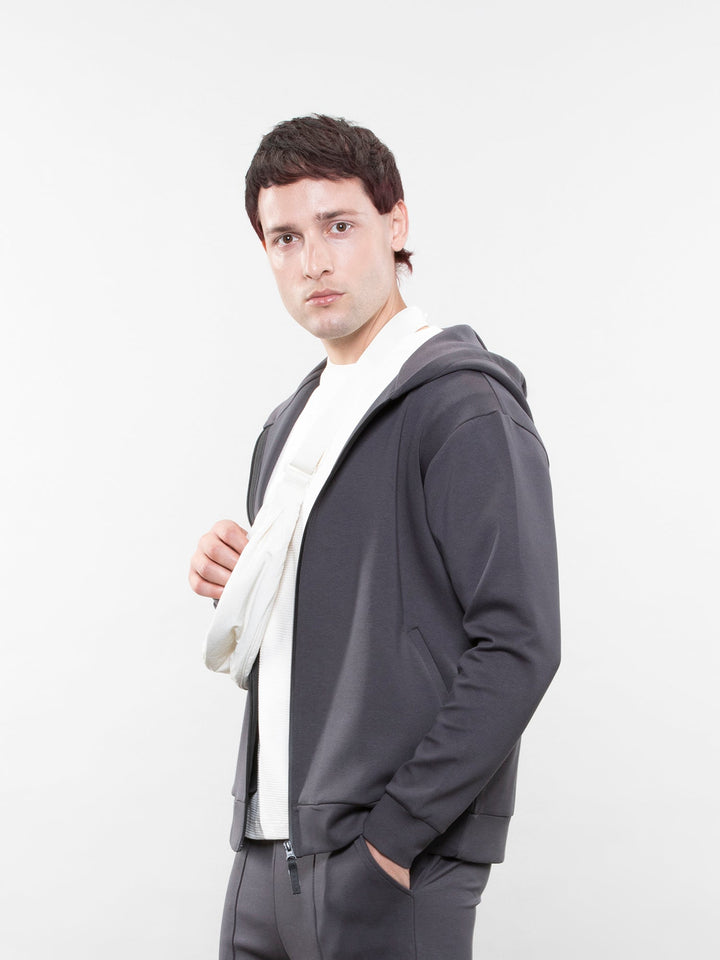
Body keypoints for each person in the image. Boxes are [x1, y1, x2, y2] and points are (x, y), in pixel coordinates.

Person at [189, 114, 560, 960]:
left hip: (386, 864)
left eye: (338, 225)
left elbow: (520, 643)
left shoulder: (462, 408)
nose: (313, 261)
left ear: (396, 224)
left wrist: (395, 837)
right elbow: (338, 633)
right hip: (266, 857)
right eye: (285, 237)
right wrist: (241, 579)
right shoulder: (288, 428)